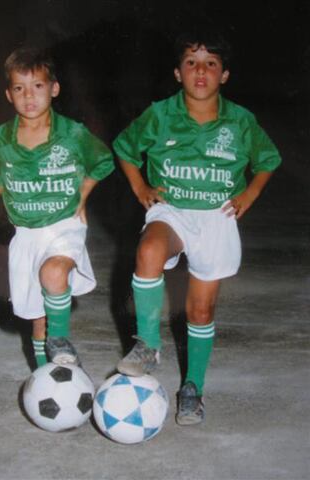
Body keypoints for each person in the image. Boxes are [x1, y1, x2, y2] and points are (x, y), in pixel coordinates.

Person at [112, 29, 281, 425]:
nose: (200, 70)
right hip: (172, 210)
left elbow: (268, 160)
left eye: (211, 63)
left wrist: (249, 195)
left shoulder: (240, 122)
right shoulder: (160, 114)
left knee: (200, 311)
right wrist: (140, 187)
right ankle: (148, 344)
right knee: (149, 250)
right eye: (191, 62)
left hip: (217, 217)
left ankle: (192, 388)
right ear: (177, 72)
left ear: (224, 75)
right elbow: (124, 148)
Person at [0, 46, 114, 369]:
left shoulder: (72, 134)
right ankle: (45, 375)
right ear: (8, 95)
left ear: (54, 88)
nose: (29, 96)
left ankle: (61, 342)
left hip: (63, 225)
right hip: (27, 233)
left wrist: (82, 193)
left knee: (54, 273)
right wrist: (14, 197)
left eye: (37, 86)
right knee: (39, 320)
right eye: (19, 88)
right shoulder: (0, 140)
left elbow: (103, 161)